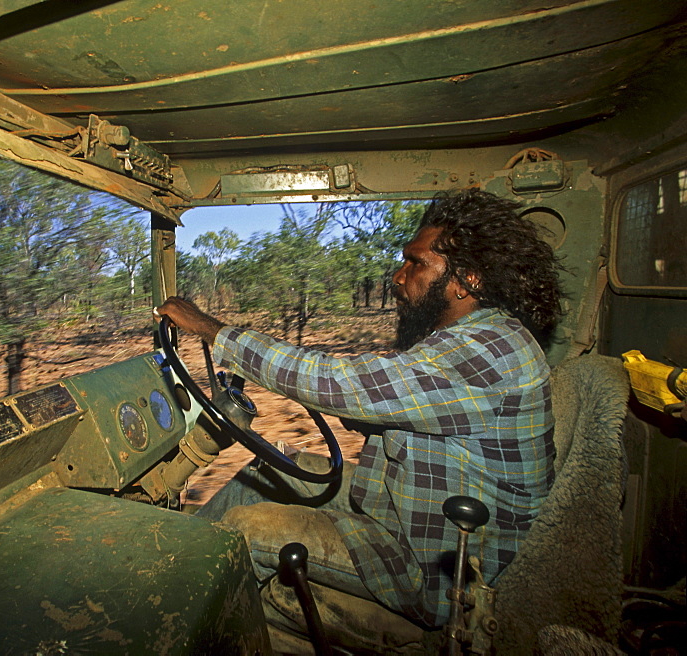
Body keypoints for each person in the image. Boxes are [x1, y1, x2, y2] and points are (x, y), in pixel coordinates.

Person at [156, 189, 564, 638]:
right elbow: (401, 401)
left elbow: (334, 381)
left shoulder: (484, 352)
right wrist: (361, 413)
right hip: (408, 513)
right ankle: (167, 578)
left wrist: (213, 330)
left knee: (245, 530)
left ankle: (177, 633)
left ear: (466, 281)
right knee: (261, 471)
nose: (398, 275)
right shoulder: (483, 337)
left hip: (437, 570)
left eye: (416, 263)